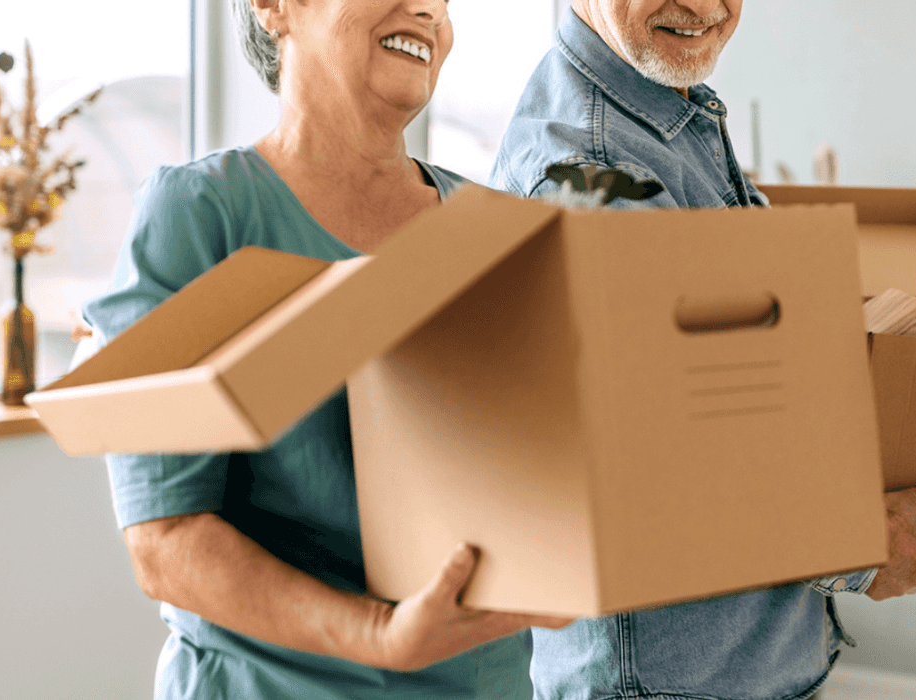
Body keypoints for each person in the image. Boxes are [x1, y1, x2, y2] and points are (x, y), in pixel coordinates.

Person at [84, 0, 569, 698]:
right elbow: (165, 537)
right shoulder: (200, 216)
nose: (430, 8)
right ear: (276, 7)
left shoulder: (502, 232)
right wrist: (377, 635)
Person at [490, 2, 916, 699]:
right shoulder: (590, 174)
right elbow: (653, 460)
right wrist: (857, 546)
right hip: (667, 680)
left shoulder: (662, 106)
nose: (706, 7)